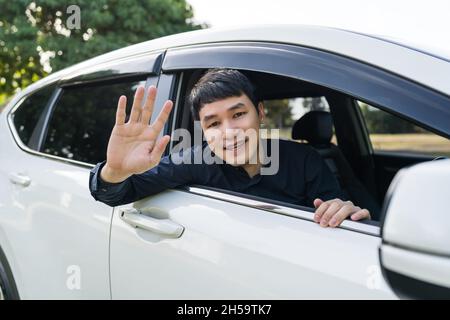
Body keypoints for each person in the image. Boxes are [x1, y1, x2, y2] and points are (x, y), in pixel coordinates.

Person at [89, 68, 370, 228]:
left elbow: (338, 211)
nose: (229, 132)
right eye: (213, 124)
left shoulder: (304, 159)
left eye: (238, 115)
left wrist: (344, 211)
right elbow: (117, 193)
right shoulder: (193, 160)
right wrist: (115, 170)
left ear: (260, 113)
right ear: (202, 130)